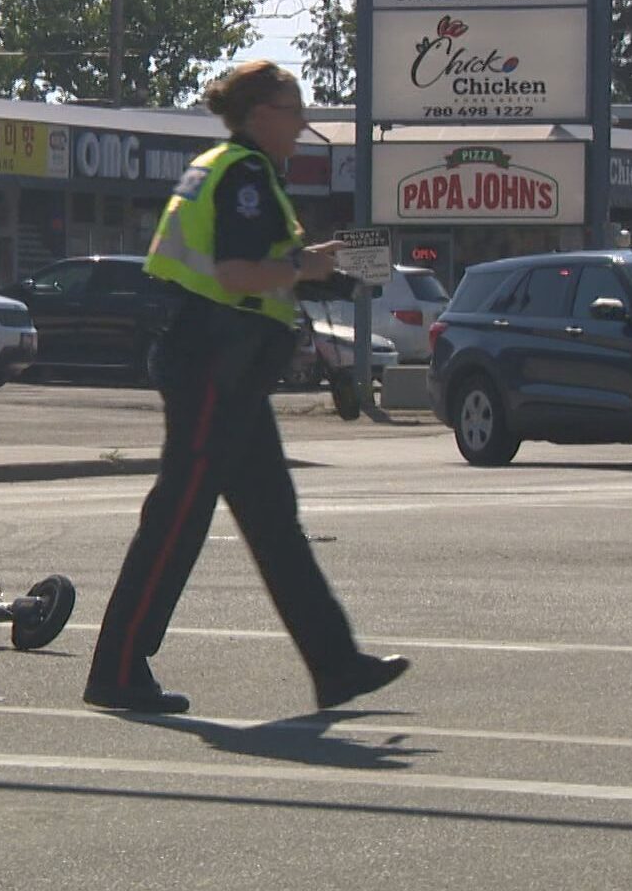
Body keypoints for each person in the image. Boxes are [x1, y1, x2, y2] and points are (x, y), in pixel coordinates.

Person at [82, 61, 409, 715]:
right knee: (178, 515)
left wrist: (317, 267)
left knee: (273, 522)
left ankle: (336, 666)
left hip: (229, 370)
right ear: (261, 114)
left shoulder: (233, 169)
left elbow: (257, 269)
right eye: (294, 110)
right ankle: (117, 669)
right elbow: (235, 273)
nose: (304, 123)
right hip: (213, 364)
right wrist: (305, 264)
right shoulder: (245, 176)